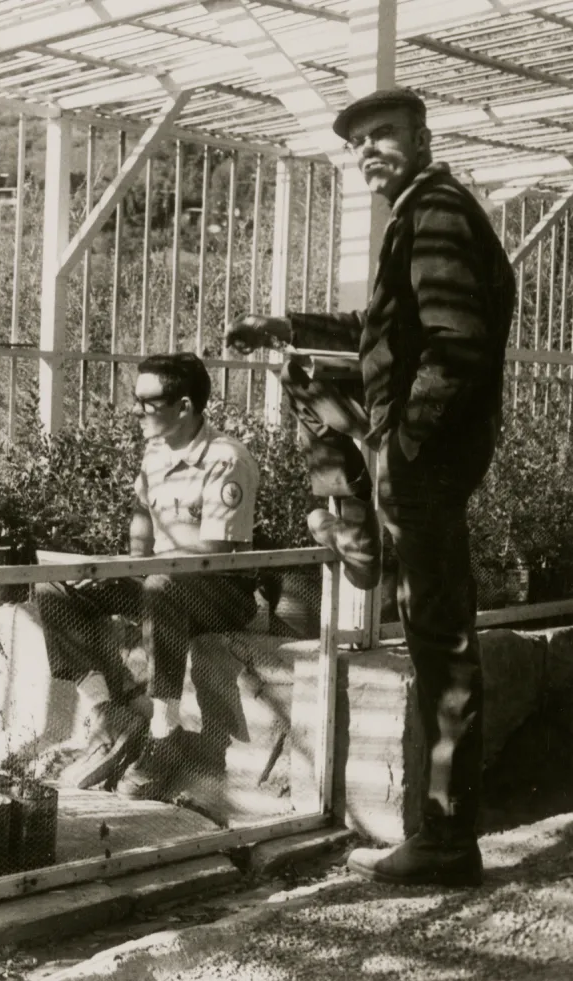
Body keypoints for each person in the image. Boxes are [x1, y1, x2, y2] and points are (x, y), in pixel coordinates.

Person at [226, 87, 514, 887]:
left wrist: (403, 445)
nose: (370, 152)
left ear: (422, 138)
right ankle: (351, 515)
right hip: (415, 452)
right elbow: (378, 333)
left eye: (384, 135)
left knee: (443, 645)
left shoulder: (439, 212)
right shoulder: (418, 216)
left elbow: (457, 343)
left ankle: (448, 840)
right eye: (359, 144)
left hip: (426, 456)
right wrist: (288, 328)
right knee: (301, 377)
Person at [112, 352, 261, 802]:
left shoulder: (226, 459)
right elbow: (141, 515)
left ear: (185, 407)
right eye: (135, 400)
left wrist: (147, 570)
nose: (137, 411)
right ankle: (105, 716)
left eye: (148, 402)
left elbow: (215, 550)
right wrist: (130, 564)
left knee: (162, 587)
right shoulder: (155, 452)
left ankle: (164, 736)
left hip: (220, 591)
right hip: (164, 580)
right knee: (57, 585)